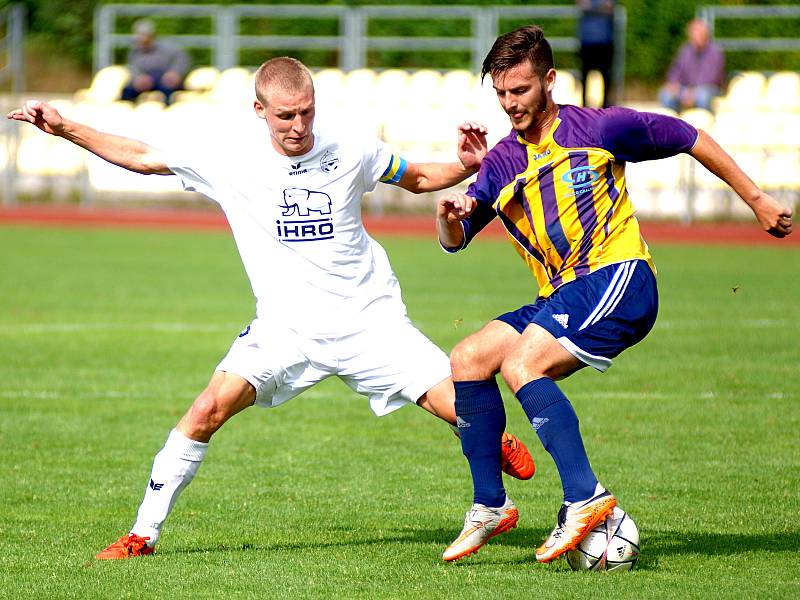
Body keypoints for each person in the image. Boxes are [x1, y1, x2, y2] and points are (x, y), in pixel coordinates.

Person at [8, 56, 536, 560]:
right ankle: (142, 533)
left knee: (464, 409)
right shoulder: (229, 157)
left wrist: (466, 166)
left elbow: (417, 177)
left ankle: (495, 459)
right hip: (285, 331)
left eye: (307, 111)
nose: (299, 125)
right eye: (286, 114)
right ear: (259, 110)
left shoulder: (349, 146)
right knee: (204, 411)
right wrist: (66, 128)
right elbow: (144, 159)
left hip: (368, 322)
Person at [436, 25, 792, 564]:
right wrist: (449, 215)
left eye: (522, 90)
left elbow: (689, 136)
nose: (511, 104)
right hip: (563, 292)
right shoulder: (502, 161)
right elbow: (455, 242)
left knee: (524, 365)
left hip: (619, 277)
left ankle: (586, 495)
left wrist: (757, 199)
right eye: (502, 93)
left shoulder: (600, 127)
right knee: (468, 359)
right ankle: (491, 504)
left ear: (550, 81)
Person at [659, 19, 725, 113]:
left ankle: (703, 123)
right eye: (693, 33)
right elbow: (676, 70)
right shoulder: (685, 50)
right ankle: (675, 122)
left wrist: (692, 93)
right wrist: (673, 83)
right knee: (666, 94)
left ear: (706, 34)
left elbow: (712, 78)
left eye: (699, 33)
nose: (696, 36)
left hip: (709, 89)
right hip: (686, 89)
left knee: (703, 96)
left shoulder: (715, 52)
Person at [120, 18, 190, 105]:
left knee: (169, 93)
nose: (140, 39)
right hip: (145, 81)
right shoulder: (134, 52)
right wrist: (138, 78)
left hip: (164, 81)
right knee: (127, 92)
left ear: (152, 35)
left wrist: (175, 73)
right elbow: (132, 68)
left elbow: (181, 59)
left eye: (143, 35)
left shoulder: (168, 48)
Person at [576, 0, 616, 108]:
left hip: (605, 41)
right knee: (584, 77)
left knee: (606, 77)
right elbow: (582, 5)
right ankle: (584, 108)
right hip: (587, 41)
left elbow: (609, 8)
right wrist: (599, 7)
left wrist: (591, 7)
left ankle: (606, 108)